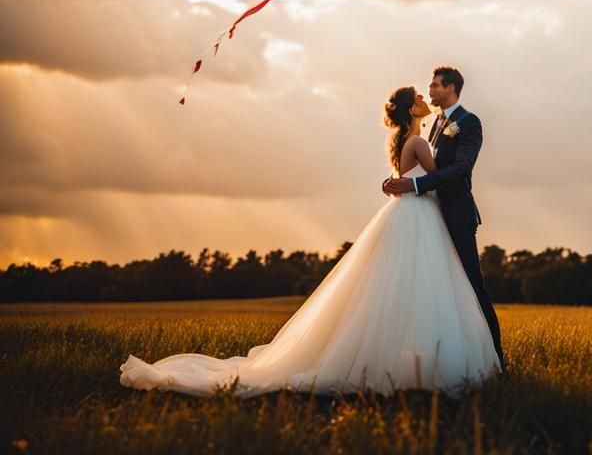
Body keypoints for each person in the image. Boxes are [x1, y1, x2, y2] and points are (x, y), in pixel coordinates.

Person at [120, 85, 500, 397]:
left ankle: (400, 357)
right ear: (410, 109)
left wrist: (401, 183)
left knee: (398, 289)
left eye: (429, 90)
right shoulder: (418, 141)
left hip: (409, 212)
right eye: (419, 94)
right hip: (420, 214)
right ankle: (423, 363)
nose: (425, 96)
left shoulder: (413, 136)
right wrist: (418, 183)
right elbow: (442, 177)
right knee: (425, 286)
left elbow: (403, 178)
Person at [384, 66, 504, 366]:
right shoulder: (434, 124)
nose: (431, 89)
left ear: (450, 88)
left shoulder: (468, 122)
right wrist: (393, 182)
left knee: (472, 284)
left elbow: (462, 168)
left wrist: (414, 184)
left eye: (435, 85)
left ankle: (496, 358)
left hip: (457, 214)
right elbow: (416, 163)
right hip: (429, 216)